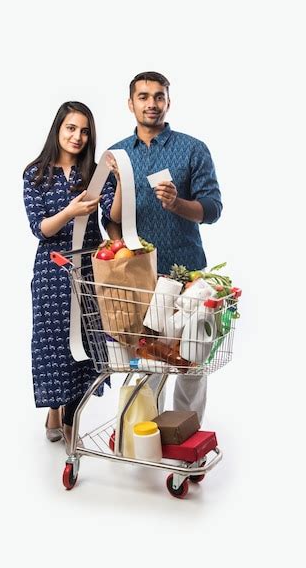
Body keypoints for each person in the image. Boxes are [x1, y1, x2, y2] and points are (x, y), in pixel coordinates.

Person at [107, 71, 222, 422]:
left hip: (188, 272)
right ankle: (147, 432)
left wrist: (177, 205)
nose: (151, 103)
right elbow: (109, 220)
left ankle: (186, 430)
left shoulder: (192, 149)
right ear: (131, 103)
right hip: (141, 278)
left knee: (190, 359)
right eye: (143, 96)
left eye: (158, 96)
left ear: (168, 102)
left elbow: (212, 209)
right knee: (147, 361)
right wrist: (119, 260)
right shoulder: (117, 155)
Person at [23, 101, 121, 451]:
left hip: (90, 271)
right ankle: (53, 410)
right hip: (52, 272)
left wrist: (120, 181)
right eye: (71, 128)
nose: (77, 136)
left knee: (86, 345)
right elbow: (41, 229)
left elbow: (112, 212)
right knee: (54, 345)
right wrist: (71, 211)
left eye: (84, 131)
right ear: (58, 129)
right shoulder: (35, 174)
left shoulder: (95, 174)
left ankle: (70, 419)